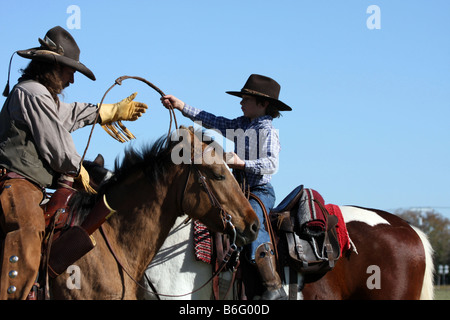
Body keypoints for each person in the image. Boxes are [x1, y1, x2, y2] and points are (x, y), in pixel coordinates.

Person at [0, 26, 147, 299]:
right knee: (29, 231)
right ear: (53, 66)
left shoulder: (41, 95)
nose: (71, 80)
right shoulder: (32, 92)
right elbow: (55, 141)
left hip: (31, 187)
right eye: (69, 71)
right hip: (15, 185)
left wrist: (108, 111)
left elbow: (67, 115)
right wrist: (76, 167)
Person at [162, 74, 292, 300]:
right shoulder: (241, 124)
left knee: (253, 225)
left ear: (263, 104)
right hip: (238, 191)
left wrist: (241, 163)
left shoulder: (267, 131)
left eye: (246, 99)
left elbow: (271, 164)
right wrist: (181, 105)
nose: (241, 102)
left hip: (260, 192)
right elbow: (212, 120)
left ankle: (273, 285)